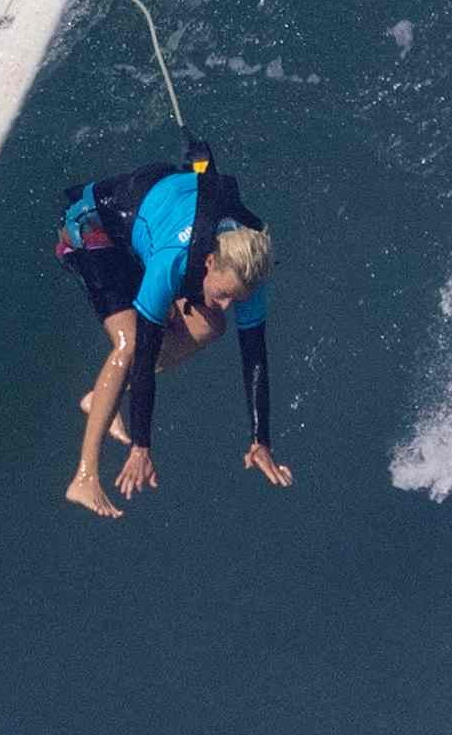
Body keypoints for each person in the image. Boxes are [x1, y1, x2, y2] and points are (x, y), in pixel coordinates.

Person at [55, 150, 291, 522]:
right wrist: (141, 447)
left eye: (236, 297)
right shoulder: (174, 260)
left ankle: (105, 393)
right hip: (93, 226)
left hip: (148, 226)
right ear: (210, 262)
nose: (228, 303)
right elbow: (146, 355)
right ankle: (84, 476)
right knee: (130, 343)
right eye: (224, 293)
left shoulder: (249, 268)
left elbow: (255, 355)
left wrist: (261, 440)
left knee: (209, 325)